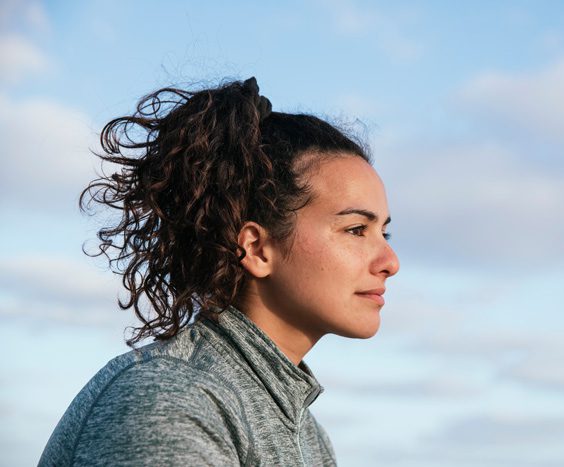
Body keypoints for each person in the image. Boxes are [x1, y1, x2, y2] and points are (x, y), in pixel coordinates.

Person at [39, 77, 399, 466]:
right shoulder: (169, 399)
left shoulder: (306, 432)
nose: (390, 262)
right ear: (258, 249)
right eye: (356, 230)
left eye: (384, 231)